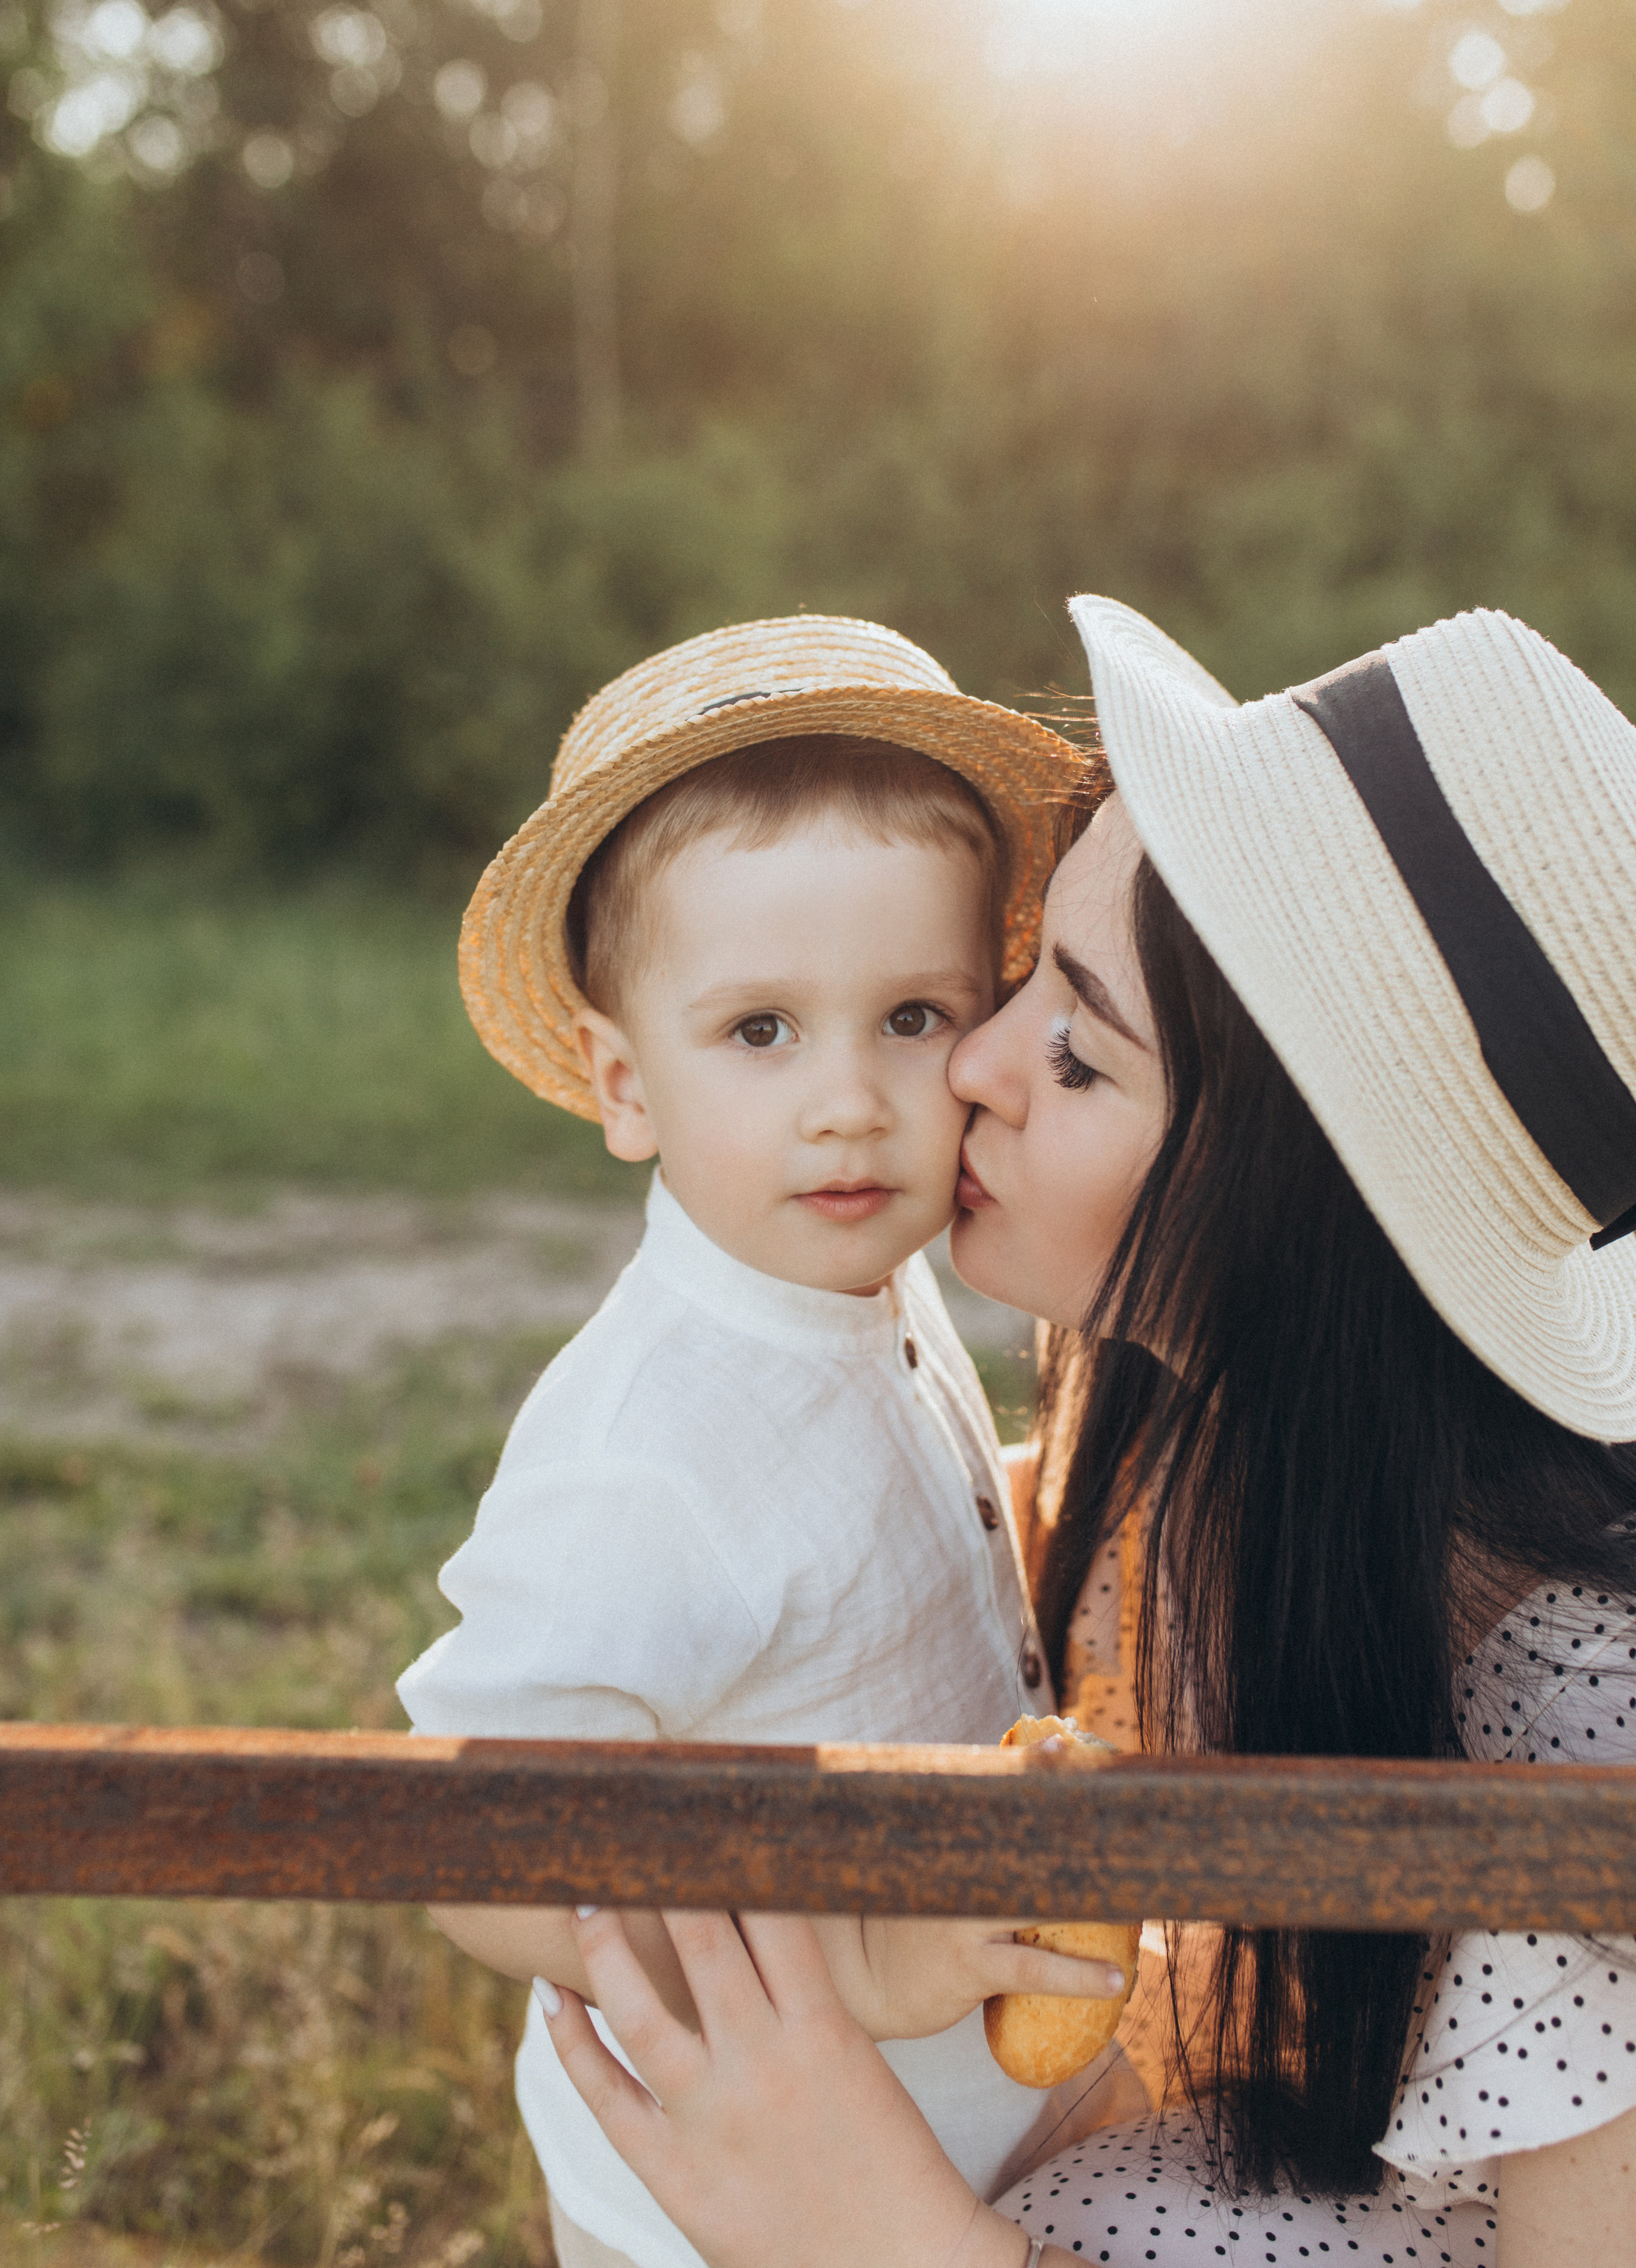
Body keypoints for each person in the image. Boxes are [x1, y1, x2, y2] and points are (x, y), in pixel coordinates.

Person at [533, 596, 1636, 2267]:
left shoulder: (1579, 1746)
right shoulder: (1230, 1463)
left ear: (1298, 1207)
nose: (967, 1058)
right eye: (1029, 964)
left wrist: (877, 2236)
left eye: (1080, 1046)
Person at [396, 617, 1134, 2268]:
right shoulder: (645, 1458)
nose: (850, 1103)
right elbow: (469, 1848)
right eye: (760, 1033)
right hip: (729, 2198)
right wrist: (861, 1959)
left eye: (914, 1016)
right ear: (624, 1082)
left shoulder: (861, 1276)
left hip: (958, 2115)